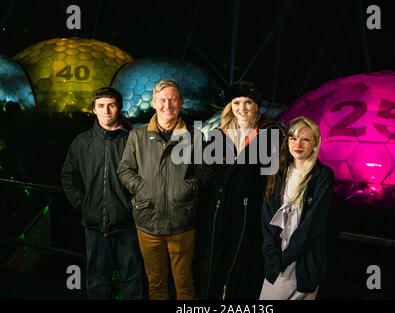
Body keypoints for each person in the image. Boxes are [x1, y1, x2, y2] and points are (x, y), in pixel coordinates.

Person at [117, 79, 212, 300]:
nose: (167, 105)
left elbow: (206, 172)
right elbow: (124, 170)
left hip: (182, 222)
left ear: (180, 103)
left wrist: (186, 188)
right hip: (147, 221)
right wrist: (142, 188)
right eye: (162, 100)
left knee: (185, 284)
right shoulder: (137, 136)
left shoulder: (195, 137)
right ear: (153, 102)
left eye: (173, 100)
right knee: (156, 283)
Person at [196, 80, 284, 300]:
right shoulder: (218, 134)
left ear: (256, 105)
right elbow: (207, 173)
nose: (242, 108)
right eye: (236, 102)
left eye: (248, 102)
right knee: (214, 264)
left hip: (249, 211)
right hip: (218, 210)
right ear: (230, 106)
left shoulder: (270, 133)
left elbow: (274, 175)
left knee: (243, 265)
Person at [61, 87, 144, 300]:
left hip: (127, 225)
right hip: (94, 226)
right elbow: (69, 177)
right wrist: (83, 204)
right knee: (97, 281)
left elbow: (145, 179)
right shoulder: (82, 142)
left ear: (119, 108)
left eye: (111, 105)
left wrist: (133, 206)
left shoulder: (131, 141)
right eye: (101, 106)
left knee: (132, 280)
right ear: (94, 110)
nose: (106, 111)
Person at [259, 116, 334, 300]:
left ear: (315, 143)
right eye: (293, 138)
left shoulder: (322, 175)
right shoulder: (279, 171)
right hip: (277, 255)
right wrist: (272, 256)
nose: (297, 144)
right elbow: (267, 217)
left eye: (305, 139)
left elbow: (313, 224)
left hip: (303, 257)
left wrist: (285, 259)